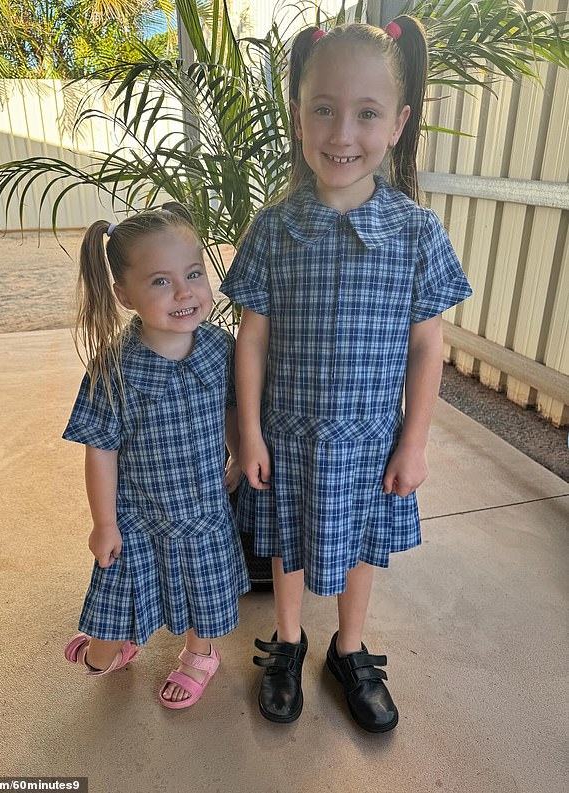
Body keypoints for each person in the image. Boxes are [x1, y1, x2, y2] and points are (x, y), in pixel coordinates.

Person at [220, 17, 472, 732]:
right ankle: (290, 643)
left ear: (398, 122)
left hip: (369, 438)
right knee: (289, 542)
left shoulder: (417, 232)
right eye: (323, 109)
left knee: (362, 544)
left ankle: (349, 647)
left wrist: (415, 442)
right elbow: (252, 338)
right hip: (288, 432)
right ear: (298, 117)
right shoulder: (273, 227)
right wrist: (248, 436)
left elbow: (428, 346)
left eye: (366, 113)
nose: (341, 133)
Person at [62, 203, 250, 708]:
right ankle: (122, 640)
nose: (185, 292)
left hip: (202, 508)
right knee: (124, 586)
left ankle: (199, 654)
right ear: (124, 296)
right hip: (139, 512)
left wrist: (237, 457)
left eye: (193, 274)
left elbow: (232, 405)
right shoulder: (114, 369)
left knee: (200, 595)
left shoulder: (219, 348)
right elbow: (100, 448)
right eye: (161, 282)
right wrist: (104, 522)